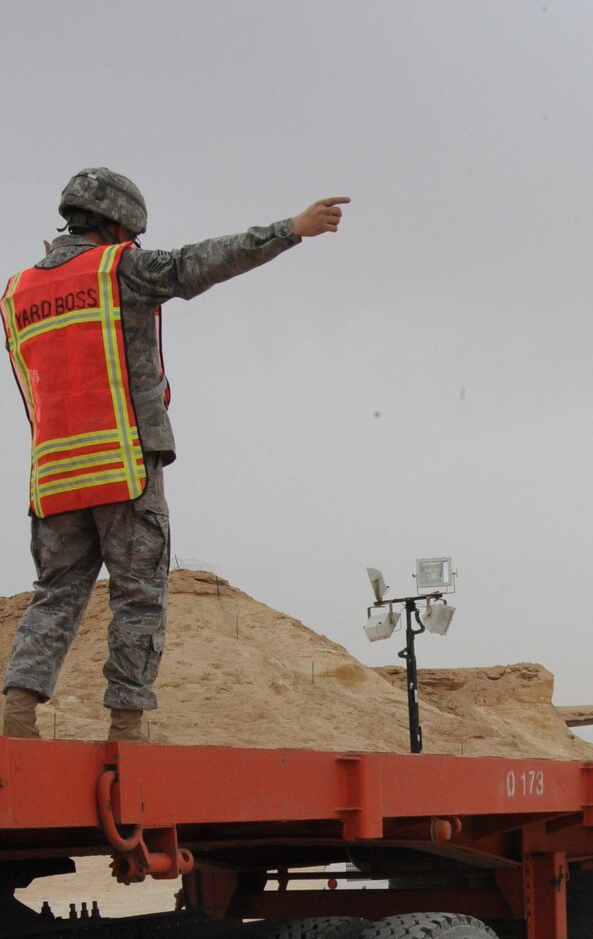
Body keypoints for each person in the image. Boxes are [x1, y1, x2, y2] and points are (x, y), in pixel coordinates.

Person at [1, 169, 349, 741]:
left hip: (54, 477)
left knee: (54, 597)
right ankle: (127, 725)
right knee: (138, 597)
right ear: (119, 224)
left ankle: (18, 712)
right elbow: (201, 261)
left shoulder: (16, 291)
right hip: (123, 465)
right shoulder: (119, 268)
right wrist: (294, 229)